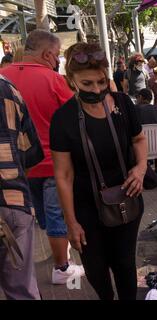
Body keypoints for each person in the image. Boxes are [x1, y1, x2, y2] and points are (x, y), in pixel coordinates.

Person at [50, 42, 148, 300]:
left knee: (125, 265)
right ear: (71, 80)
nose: (97, 90)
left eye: (101, 82)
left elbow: (139, 140)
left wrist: (139, 168)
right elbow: (63, 175)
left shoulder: (123, 103)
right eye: (87, 84)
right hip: (86, 209)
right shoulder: (63, 119)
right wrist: (71, 222)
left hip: (127, 199)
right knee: (96, 270)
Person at [0, 29, 85, 285]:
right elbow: (77, 117)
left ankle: (51, 257)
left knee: (41, 218)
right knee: (56, 215)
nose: (57, 59)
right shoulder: (53, 79)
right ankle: (62, 268)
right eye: (57, 55)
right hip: (52, 162)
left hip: (19, 167)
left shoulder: (4, 77)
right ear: (48, 53)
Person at [0, 75, 44, 299]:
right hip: (14, 200)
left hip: (13, 202)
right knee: (22, 290)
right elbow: (31, 151)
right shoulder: (9, 89)